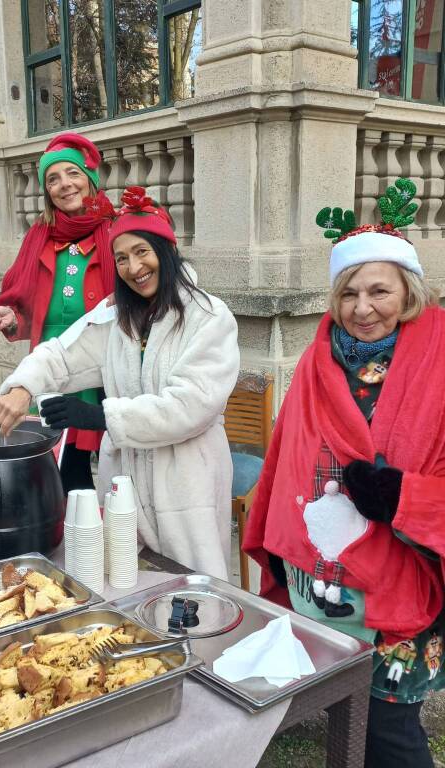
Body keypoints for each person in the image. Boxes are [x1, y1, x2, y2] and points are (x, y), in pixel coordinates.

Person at [242, 178, 445, 768]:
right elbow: (288, 454)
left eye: (379, 291)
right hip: (322, 571)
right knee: (342, 705)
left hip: (401, 572)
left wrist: (405, 496)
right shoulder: (317, 356)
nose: (362, 308)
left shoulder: (438, 355)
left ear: (407, 291)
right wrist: (280, 538)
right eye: (350, 292)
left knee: (389, 727)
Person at [0, 187, 240, 578]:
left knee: (194, 590)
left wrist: (101, 417)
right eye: (121, 258)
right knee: (128, 579)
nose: (133, 266)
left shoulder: (208, 317)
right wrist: (24, 387)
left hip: (186, 479)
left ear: (166, 250)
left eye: (142, 251)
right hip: (125, 478)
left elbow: (189, 407)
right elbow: (62, 353)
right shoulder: (117, 317)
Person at [0, 133, 116, 493]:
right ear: (46, 190)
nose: (64, 184)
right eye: (53, 178)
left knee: (119, 463)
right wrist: (14, 320)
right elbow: (34, 308)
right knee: (66, 466)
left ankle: (122, 536)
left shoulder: (117, 229)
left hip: (108, 363)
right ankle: (76, 538)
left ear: (90, 178)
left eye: (73, 173)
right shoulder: (39, 235)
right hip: (52, 367)